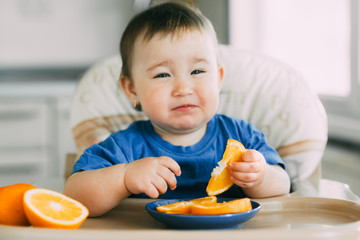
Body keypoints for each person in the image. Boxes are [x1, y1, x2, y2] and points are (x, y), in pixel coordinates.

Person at [64, 2, 290, 217]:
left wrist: (260, 178)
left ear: (218, 79)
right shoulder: (125, 147)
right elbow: (75, 195)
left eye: (197, 72)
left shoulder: (242, 136)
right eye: (163, 74)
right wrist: (124, 177)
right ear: (132, 90)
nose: (183, 88)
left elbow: (284, 184)